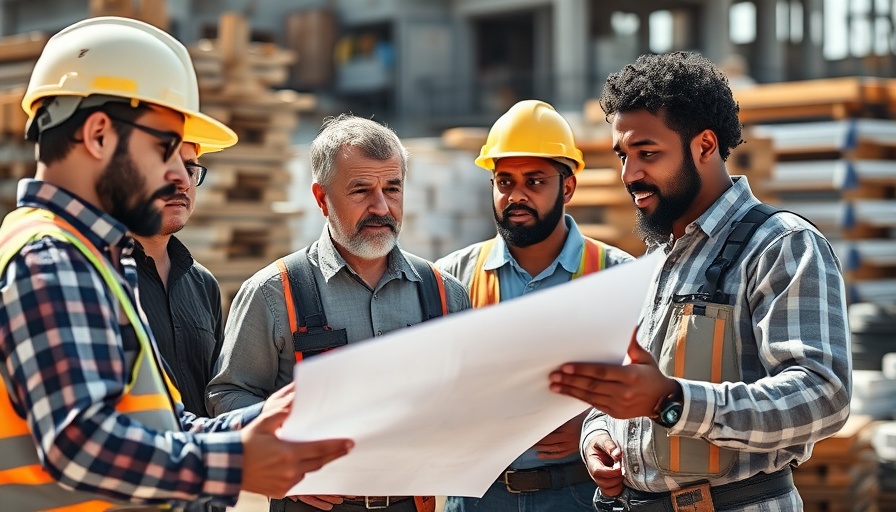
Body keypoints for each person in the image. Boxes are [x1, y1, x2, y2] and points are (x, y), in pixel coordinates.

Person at [0, 17, 352, 512]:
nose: (176, 174)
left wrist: (255, 424)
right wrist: (236, 464)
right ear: (98, 135)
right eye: (164, 148)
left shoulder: (95, 258)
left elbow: (155, 425)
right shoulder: (53, 258)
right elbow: (80, 442)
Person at [549, 51, 851, 511]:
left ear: (705, 146)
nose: (630, 175)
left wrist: (673, 401)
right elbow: (627, 386)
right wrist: (599, 433)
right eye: (623, 156)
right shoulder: (653, 262)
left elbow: (823, 395)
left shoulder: (781, 246)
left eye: (647, 153)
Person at [206, 113, 472, 512]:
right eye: (361, 190)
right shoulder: (272, 293)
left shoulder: (445, 294)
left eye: (392, 188)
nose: (381, 206)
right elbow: (228, 394)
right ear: (321, 198)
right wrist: (286, 462)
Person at [434, 99, 634, 512]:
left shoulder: (618, 276)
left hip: (577, 495)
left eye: (535, 181)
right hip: (478, 497)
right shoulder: (451, 277)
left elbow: (654, 385)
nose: (516, 195)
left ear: (568, 187)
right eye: (504, 181)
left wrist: (595, 425)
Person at [134, 141, 222, 418]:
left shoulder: (204, 285)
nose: (183, 182)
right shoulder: (100, 276)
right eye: (167, 165)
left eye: (190, 169)